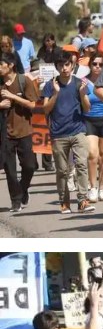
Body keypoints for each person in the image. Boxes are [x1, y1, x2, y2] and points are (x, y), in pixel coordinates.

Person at [42, 51, 94, 213]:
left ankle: (82, 200)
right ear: (57, 67)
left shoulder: (79, 83)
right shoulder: (51, 85)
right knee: (62, 170)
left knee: (81, 165)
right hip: (59, 133)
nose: (64, 68)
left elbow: (87, 108)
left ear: (72, 66)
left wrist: (83, 95)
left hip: (78, 130)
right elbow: (45, 109)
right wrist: (56, 93)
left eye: (67, 65)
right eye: (61, 65)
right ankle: (64, 202)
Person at [1, 52, 39, 212]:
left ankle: (23, 190)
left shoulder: (24, 81)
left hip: (25, 131)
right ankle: (16, 201)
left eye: (1, 65)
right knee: (10, 169)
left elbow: (33, 105)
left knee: (29, 166)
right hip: (5, 133)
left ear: (10, 66)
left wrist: (13, 97)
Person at [84, 54, 103, 203]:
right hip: (89, 120)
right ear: (89, 65)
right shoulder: (83, 82)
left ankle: (102, 187)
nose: (97, 67)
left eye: (101, 65)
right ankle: (92, 188)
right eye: (94, 64)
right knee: (92, 154)